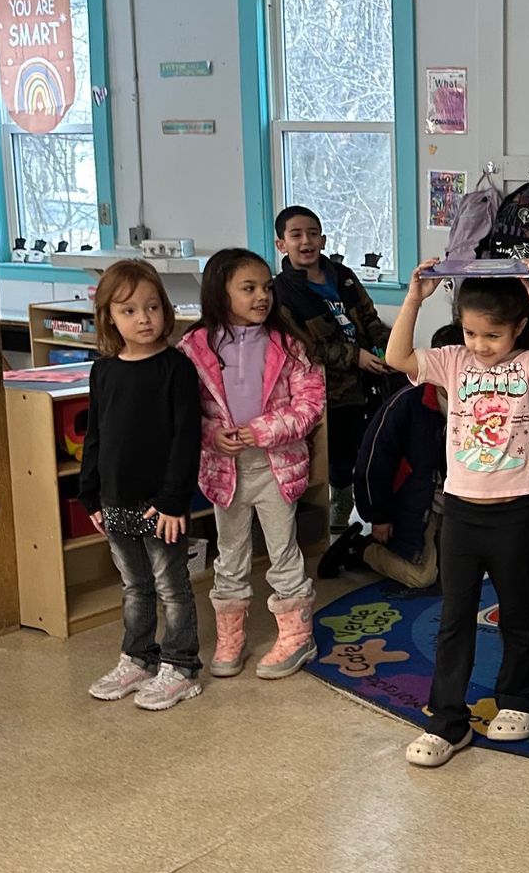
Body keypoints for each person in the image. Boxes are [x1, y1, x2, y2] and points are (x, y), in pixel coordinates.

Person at [387, 262, 529, 768]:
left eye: (493, 335)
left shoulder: (526, 365)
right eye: (471, 332)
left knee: (517, 612)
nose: (480, 344)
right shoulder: (452, 362)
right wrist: (414, 298)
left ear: (518, 328)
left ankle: (521, 699)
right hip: (461, 513)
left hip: (514, 511)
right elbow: (397, 357)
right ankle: (447, 720)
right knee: (454, 618)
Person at [180, 248, 326, 681]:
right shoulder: (194, 347)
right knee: (230, 555)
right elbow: (183, 412)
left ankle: (297, 637)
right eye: (248, 288)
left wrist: (262, 431)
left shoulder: (288, 344)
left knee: (284, 552)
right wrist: (212, 435)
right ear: (220, 293)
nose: (262, 296)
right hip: (224, 471)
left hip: (276, 468)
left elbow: (310, 404)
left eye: (266, 287)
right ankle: (231, 637)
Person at [78, 259, 205, 711]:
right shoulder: (103, 371)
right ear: (109, 317)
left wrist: (173, 501)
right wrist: (90, 493)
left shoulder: (176, 369)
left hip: (161, 505)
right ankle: (138, 658)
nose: (144, 318)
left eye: (152, 307)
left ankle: (181, 665)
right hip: (114, 499)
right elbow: (95, 436)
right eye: (128, 310)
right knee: (134, 586)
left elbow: (187, 439)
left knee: (171, 586)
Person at [271, 204, 391, 531]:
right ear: (281, 244)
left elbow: (369, 318)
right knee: (338, 456)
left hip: (369, 381)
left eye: (313, 234)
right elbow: (305, 347)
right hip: (329, 391)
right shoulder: (282, 292)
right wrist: (354, 356)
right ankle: (338, 515)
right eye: (296, 235)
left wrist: (390, 347)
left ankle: (376, 514)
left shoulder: (343, 276)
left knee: (373, 446)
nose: (306, 241)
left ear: (323, 240)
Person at [323, 324, 464, 589]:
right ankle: (362, 548)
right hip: (413, 504)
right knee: (423, 577)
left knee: (460, 573)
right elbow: (372, 463)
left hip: (455, 505)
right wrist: (379, 516)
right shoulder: (405, 404)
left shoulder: (480, 402)